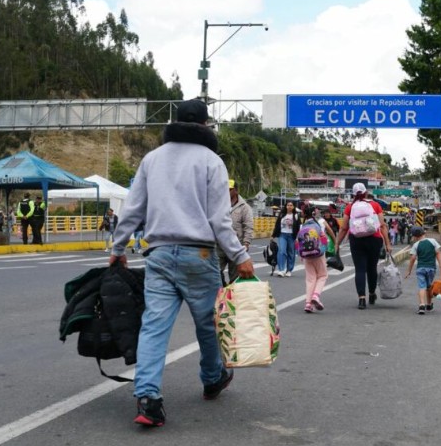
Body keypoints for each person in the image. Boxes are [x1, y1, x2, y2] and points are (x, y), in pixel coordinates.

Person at [108, 98, 254, 428]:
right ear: (205, 125)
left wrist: (118, 248)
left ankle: (148, 399)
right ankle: (213, 378)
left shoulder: (152, 159)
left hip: (158, 255)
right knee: (208, 324)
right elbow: (220, 220)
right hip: (198, 255)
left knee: (154, 326)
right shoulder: (211, 161)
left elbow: (132, 210)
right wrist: (240, 257)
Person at [334, 183, 392, 309]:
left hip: (356, 240)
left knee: (360, 269)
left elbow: (344, 228)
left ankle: (361, 299)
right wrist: (387, 243)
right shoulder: (375, 205)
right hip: (374, 239)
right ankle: (372, 294)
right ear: (366, 192)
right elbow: (382, 225)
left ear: (354, 194)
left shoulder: (350, 207)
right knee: (372, 268)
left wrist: (337, 243)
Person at [297, 205, 336, 313]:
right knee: (323, 275)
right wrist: (323, 250)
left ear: (304, 214)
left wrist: (301, 254)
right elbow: (323, 238)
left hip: (306, 255)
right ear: (314, 213)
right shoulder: (317, 225)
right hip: (318, 254)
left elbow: (297, 242)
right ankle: (316, 296)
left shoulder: (302, 226)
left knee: (310, 279)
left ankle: (308, 304)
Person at [217, 179, 254, 286]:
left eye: (230, 189)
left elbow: (248, 226)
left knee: (235, 277)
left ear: (236, 191)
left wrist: (246, 243)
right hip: (219, 245)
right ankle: (223, 288)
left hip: (236, 246)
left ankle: (231, 298)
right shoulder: (219, 205)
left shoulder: (245, 207)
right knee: (215, 272)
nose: (227, 192)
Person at [404, 226, 441, 315]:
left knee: (422, 286)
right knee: (429, 287)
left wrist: (409, 270)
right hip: (431, 268)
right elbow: (438, 253)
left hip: (420, 268)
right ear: (424, 233)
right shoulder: (433, 241)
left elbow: (413, 258)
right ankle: (429, 305)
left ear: (415, 236)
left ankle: (422, 305)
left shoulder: (416, 245)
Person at [271, 201, 300, 277]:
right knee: (281, 251)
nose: (289, 206)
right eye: (288, 205)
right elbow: (277, 225)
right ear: (286, 206)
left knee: (291, 253)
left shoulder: (296, 215)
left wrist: (297, 237)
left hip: (292, 235)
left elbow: (298, 227)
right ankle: (281, 270)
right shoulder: (281, 215)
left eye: (291, 205)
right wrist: (273, 235)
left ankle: (289, 270)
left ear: (293, 207)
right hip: (282, 235)